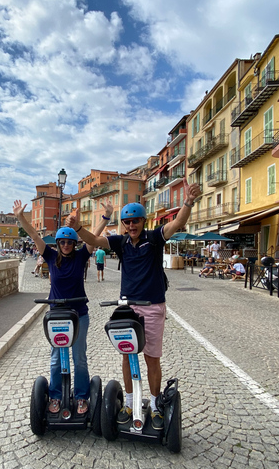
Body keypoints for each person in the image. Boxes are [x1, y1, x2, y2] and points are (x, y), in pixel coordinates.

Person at [67, 177, 201, 431]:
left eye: (135, 221)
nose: (131, 225)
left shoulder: (154, 238)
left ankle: (155, 404)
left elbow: (178, 223)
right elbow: (94, 242)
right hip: (128, 308)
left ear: (143, 221)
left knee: (151, 358)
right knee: (128, 358)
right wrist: (78, 227)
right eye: (127, 222)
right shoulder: (121, 242)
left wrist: (188, 201)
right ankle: (129, 403)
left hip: (152, 306)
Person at [13, 199, 112, 416]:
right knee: (57, 357)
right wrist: (21, 217)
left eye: (69, 242)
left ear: (74, 244)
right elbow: (35, 236)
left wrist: (106, 217)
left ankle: (81, 397)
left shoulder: (81, 256)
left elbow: (93, 236)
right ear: (58, 244)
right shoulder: (50, 256)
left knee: (79, 358)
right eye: (62, 242)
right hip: (56, 315)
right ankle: (56, 396)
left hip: (79, 314)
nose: (66, 245)